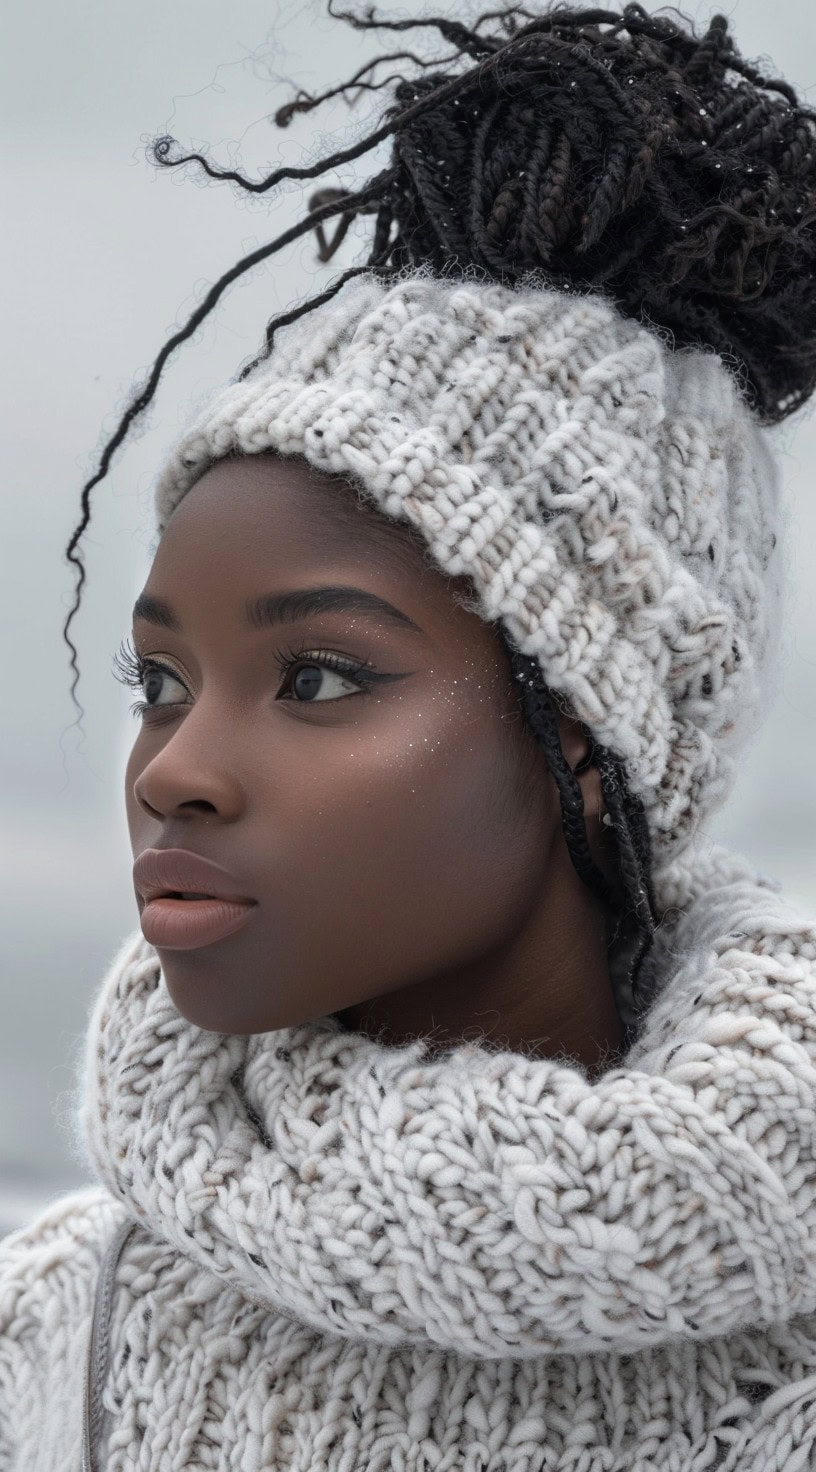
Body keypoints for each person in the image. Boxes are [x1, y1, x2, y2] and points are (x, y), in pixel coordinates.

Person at [3, 2, 816, 1466]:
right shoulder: (53, 1335)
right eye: (161, 682)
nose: (173, 772)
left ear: (581, 735)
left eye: (316, 677)